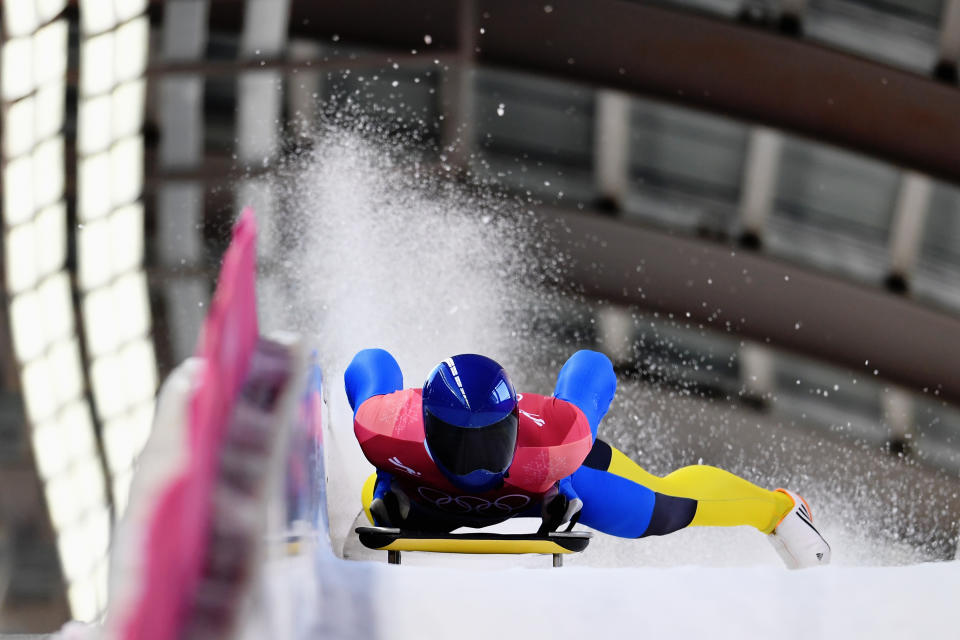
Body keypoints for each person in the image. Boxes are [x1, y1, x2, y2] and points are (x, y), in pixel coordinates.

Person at [345, 348, 831, 569]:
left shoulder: (560, 439)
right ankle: (394, 500)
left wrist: (565, 491)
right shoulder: (383, 429)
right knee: (379, 496)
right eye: (460, 442)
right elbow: (369, 363)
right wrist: (386, 486)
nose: (476, 462)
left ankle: (779, 510)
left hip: (549, 479)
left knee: (664, 508)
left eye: (490, 441)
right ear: (428, 432)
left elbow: (591, 366)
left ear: (513, 426)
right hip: (437, 493)